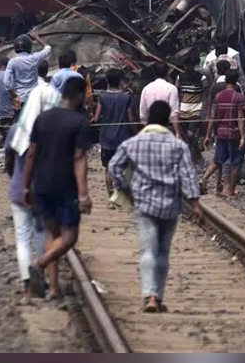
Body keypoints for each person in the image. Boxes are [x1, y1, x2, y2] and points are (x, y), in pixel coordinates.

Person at [108, 100, 204, 312]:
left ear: (149, 118)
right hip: (170, 205)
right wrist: (195, 204)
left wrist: (125, 188)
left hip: (143, 203)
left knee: (148, 250)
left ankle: (148, 296)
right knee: (163, 251)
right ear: (168, 121)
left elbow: (114, 166)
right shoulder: (178, 146)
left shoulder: (134, 143)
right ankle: (158, 296)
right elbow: (189, 176)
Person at [19, 76, 95, 302]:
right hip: (65, 187)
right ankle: (38, 263)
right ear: (80, 96)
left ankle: (53, 288)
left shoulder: (42, 119)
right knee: (69, 237)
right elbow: (79, 158)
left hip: (41, 185)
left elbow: (31, 153)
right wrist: (83, 194)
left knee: (53, 236)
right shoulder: (80, 122)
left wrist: (25, 186)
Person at [6, 139, 47, 299]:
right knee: (41, 235)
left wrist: (14, 176)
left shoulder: (17, 130)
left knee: (22, 238)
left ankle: (27, 284)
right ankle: (40, 274)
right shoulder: (46, 128)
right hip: (43, 190)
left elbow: (9, 159)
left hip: (19, 190)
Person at [203, 66, 245, 198]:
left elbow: (212, 117)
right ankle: (230, 190)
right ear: (236, 81)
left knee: (218, 160)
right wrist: (243, 137)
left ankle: (204, 179)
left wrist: (208, 135)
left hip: (221, 133)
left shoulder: (218, 96)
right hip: (234, 133)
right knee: (236, 162)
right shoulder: (238, 97)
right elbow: (240, 117)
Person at [95, 69, 133, 205]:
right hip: (122, 138)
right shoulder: (126, 98)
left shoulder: (102, 98)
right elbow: (130, 118)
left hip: (106, 139)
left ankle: (111, 197)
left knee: (108, 169)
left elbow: (96, 117)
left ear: (107, 81)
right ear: (120, 81)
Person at [3, 34, 45, 108]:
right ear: (29, 46)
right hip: (34, 99)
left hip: (20, 100)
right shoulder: (35, 58)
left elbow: (6, 82)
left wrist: (14, 96)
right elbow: (48, 48)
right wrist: (36, 37)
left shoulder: (12, 62)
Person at [139, 60, 181, 133]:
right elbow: (174, 113)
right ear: (167, 73)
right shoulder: (172, 89)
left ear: (154, 73)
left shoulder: (146, 89)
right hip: (167, 128)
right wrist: (177, 132)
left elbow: (143, 114)